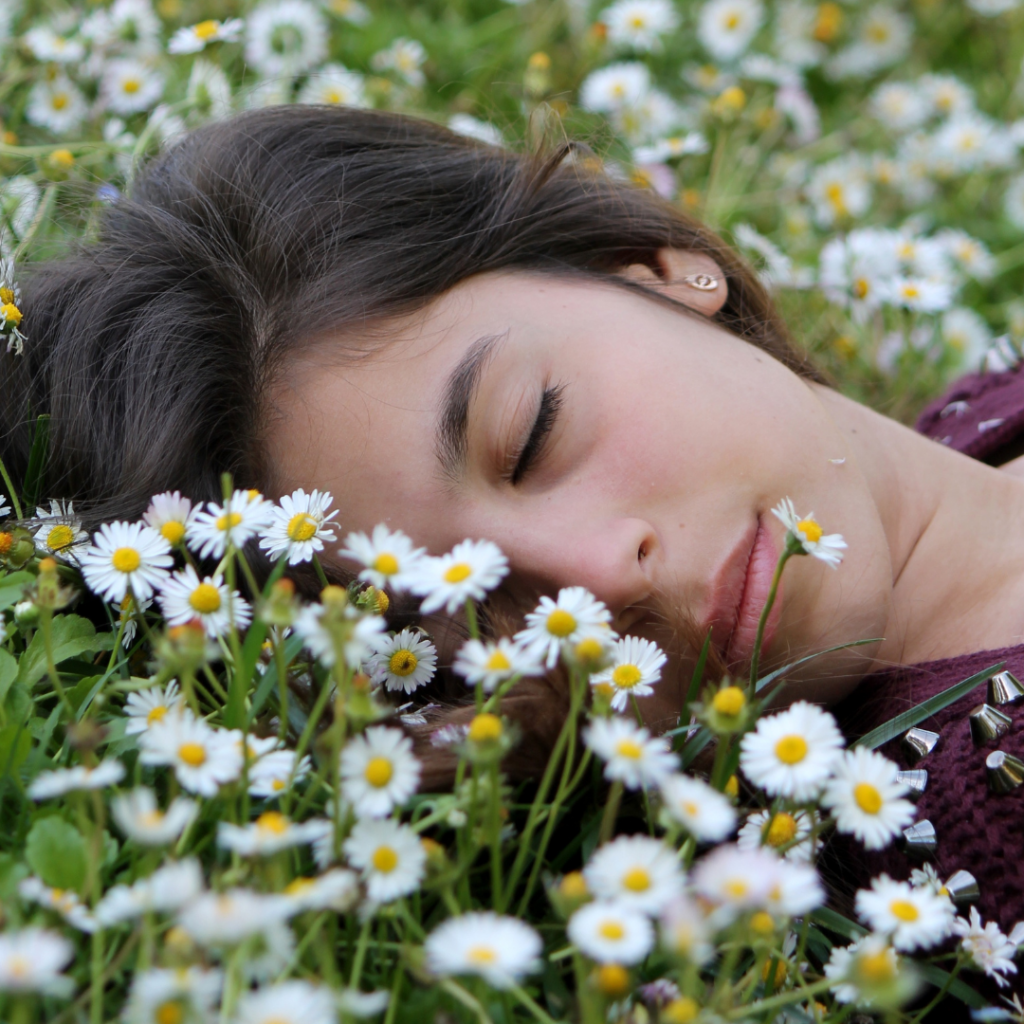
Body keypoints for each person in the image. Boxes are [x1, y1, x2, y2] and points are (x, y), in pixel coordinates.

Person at [7, 105, 1024, 939]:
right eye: (469, 623)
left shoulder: (981, 415)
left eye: (535, 433)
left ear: (652, 264)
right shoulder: (972, 827)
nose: (596, 579)